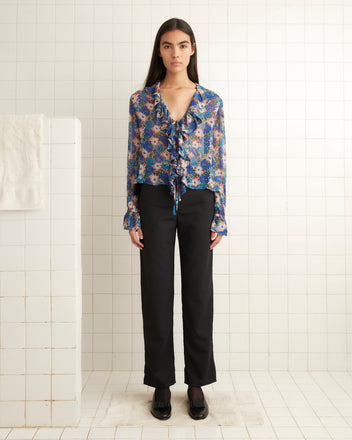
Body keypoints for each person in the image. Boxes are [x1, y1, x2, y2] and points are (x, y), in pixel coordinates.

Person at [123, 17, 227, 420]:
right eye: (167, 46)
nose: (175, 53)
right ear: (159, 51)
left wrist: (220, 214)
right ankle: (162, 382)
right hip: (155, 201)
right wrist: (132, 211)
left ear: (193, 49)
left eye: (183, 45)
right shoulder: (141, 101)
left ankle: (197, 382)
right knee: (156, 291)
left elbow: (218, 159)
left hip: (200, 201)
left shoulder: (211, 102)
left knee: (199, 292)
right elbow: (133, 157)